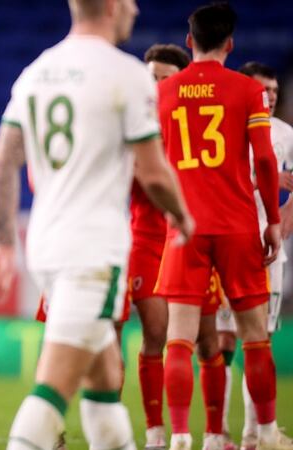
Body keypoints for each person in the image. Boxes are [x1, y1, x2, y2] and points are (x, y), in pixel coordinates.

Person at [0, 0, 193, 449]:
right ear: (113, 7)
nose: (135, 9)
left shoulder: (37, 71)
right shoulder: (127, 74)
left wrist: (3, 245)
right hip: (92, 252)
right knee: (53, 388)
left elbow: (2, 164)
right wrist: (183, 215)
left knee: (103, 381)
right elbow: (153, 172)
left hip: (46, 246)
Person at [154, 3, 292, 449]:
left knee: (179, 337)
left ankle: (179, 437)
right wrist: (272, 220)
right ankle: (266, 433)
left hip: (185, 227)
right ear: (230, 45)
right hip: (236, 225)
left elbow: (152, 163)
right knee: (254, 337)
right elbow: (267, 161)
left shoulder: (165, 92)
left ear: (189, 41)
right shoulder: (246, 90)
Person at [215, 61, 293, 450]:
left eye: (276, 92)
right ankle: (221, 433)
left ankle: (253, 436)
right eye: (265, 91)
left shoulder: (285, 135)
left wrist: (279, 227)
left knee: (260, 340)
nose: (272, 98)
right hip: (230, 246)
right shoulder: (227, 129)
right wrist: (265, 178)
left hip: (268, 253)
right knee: (223, 340)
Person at [125, 43, 190, 449]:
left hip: (192, 239)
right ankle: (155, 433)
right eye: (153, 78)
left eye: (166, 79)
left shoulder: (194, 126)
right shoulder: (136, 128)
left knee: (211, 340)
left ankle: (215, 430)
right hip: (147, 240)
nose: (158, 86)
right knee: (155, 332)